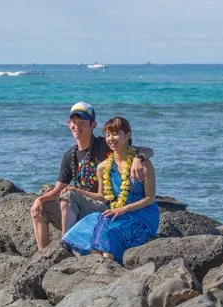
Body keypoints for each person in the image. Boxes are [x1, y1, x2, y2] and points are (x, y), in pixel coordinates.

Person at [30, 102, 153, 251]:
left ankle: (66, 247)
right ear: (69, 124)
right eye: (74, 122)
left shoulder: (105, 144)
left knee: (69, 197)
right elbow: (57, 190)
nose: (77, 127)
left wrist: (138, 159)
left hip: (104, 206)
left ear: (93, 125)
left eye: (82, 123)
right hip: (79, 206)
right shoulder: (69, 156)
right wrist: (39, 200)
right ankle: (45, 255)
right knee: (41, 208)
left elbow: (146, 150)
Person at [61, 116, 159, 264]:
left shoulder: (143, 165)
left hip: (143, 213)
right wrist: (77, 191)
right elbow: (102, 196)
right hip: (117, 212)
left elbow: (150, 199)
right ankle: (100, 266)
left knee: (106, 229)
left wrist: (123, 209)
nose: (111, 139)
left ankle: (108, 265)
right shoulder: (103, 167)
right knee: (92, 222)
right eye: (107, 135)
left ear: (128, 135)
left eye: (115, 134)